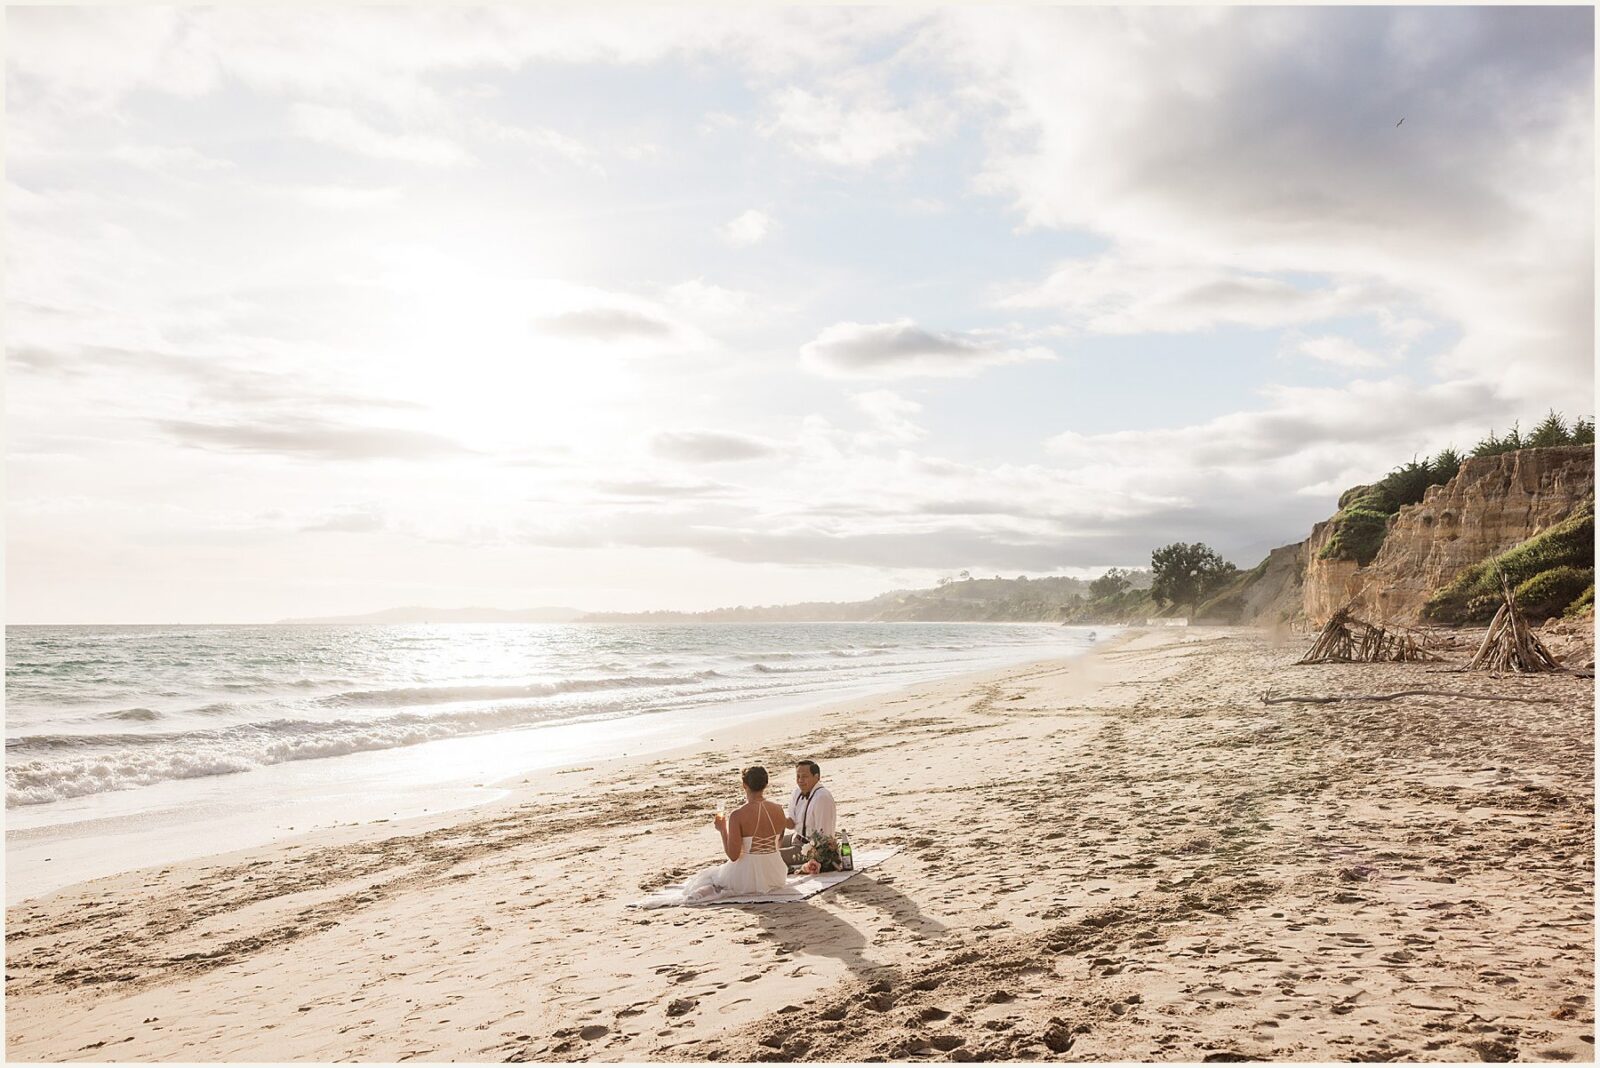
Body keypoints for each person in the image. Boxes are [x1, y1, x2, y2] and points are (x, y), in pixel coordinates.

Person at [660, 766, 789, 904]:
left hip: (746, 879)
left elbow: (733, 856)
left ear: (744, 785)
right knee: (716, 876)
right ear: (766, 784)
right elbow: (778, 843)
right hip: (776, 874)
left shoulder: (738, 815)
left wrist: (722, 830)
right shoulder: (778, 809)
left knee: (714, 878)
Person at [781, 759, 836, 869]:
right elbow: (791, 824)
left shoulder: (822, 797)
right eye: (798, 776)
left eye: (805, 776)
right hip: (796, 838)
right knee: (763, 848)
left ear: (817, 777)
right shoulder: (796, 792)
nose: (800, 780)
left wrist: (814, 856)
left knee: (772, 857)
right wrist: (776, 817)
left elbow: (824, 836)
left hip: (810, 849)